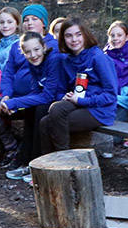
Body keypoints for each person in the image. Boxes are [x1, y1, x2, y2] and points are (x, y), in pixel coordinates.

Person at [38, 18, 118, 154]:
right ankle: (48, 165)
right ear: (63, 39)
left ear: (85, 35)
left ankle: (63, 160)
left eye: (78, 34)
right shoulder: (66, 60)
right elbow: (61, 90)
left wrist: (81, 100)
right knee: (47, 118)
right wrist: (65, 96)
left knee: (50, 120)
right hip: (77, 103)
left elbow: (111, 95)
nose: (74, 39)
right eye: (68, 36)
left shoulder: (98, 57)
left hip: (99, 110)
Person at [1, 32, 65, 181]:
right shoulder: (33, 64)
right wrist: (16, 105)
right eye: (28, 52)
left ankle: (37, 163)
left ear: (43, 47)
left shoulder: (53, 60)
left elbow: (48, 95)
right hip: (52, 98)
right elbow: (35, 91)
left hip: (65, 97)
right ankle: (26, 162)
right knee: (30, 109)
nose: (33, 55)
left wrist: (14, 102)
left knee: (42, 109)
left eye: (36, 50)